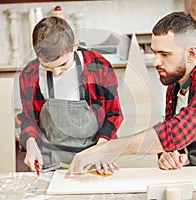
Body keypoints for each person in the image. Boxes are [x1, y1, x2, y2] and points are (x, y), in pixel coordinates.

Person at [66, 11, 196, 176]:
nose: (156, 62)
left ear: (191, 53)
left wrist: (104, 149)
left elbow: (174, 132)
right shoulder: (175, 84)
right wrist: (167, 155)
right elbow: (172, 142)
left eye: (164, 54)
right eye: (155, 53)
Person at [17, 16, 123, 172]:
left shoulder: (99, 67)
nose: (57, 72)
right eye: (48, 68)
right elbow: (29, 118)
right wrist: (31, 144)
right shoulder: (30, 74)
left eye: (62, 64)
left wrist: (101, 148)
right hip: (50, 160)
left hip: (94, 158)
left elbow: (113, 114)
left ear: (75, 45)